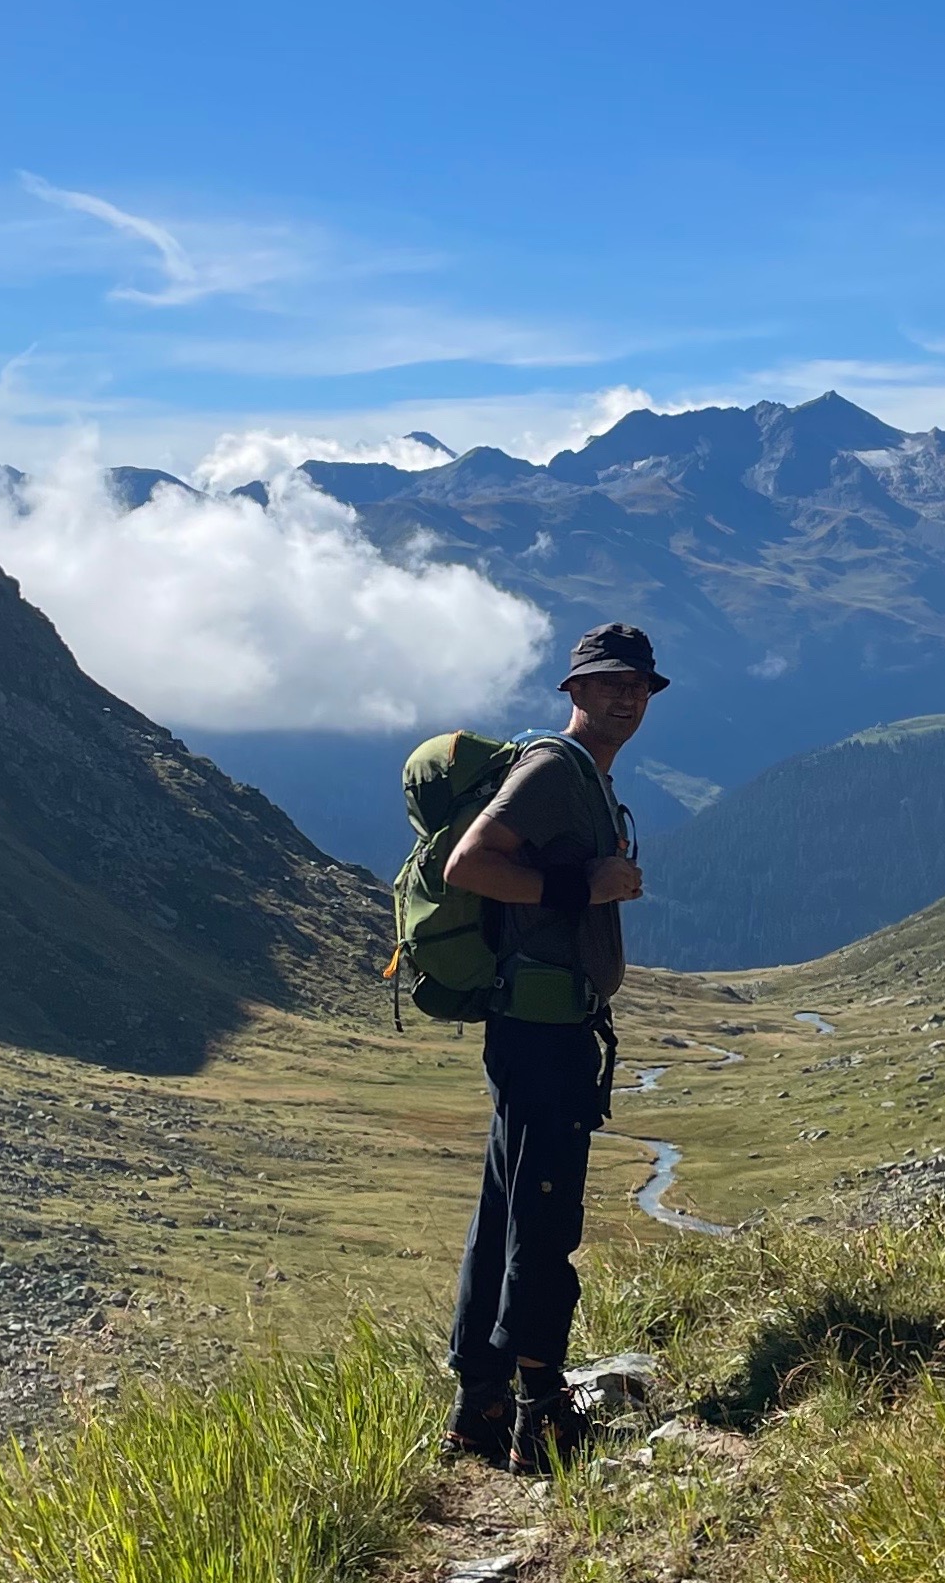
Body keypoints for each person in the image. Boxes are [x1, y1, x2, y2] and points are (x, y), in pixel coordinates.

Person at [437, 622, 664, 1472]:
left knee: (504, 1209)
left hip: (547, 1025)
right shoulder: (552, 771)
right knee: (542, 1214)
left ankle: (479, 1404)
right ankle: (543, 1416)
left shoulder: (590, 781)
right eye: (609, 683)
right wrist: (583, 885)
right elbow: (469, 864)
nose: (626, 696)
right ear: (573, 691)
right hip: (540, 1033)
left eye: (638, 686)